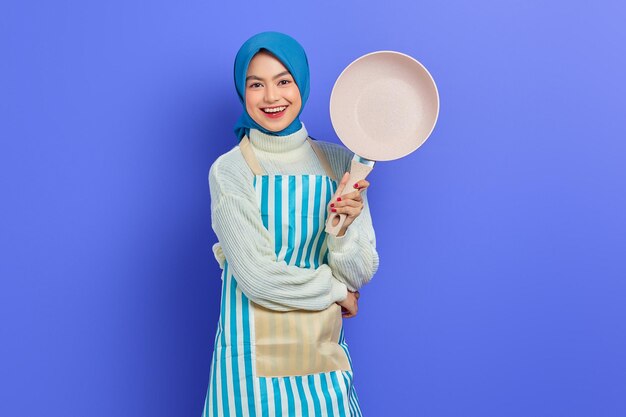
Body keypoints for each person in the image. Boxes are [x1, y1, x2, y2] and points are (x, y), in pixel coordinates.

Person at [202, 31, 379, 417]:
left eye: (283, 81)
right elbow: (258, 278)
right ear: (242, 91)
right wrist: (336, 292)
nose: (271, 97)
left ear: (301, 83)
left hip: (321, 359)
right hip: (248, 369)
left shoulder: (338, 163)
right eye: (256, 85)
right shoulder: (229, 171)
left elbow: (359, 272)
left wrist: (343, 232)